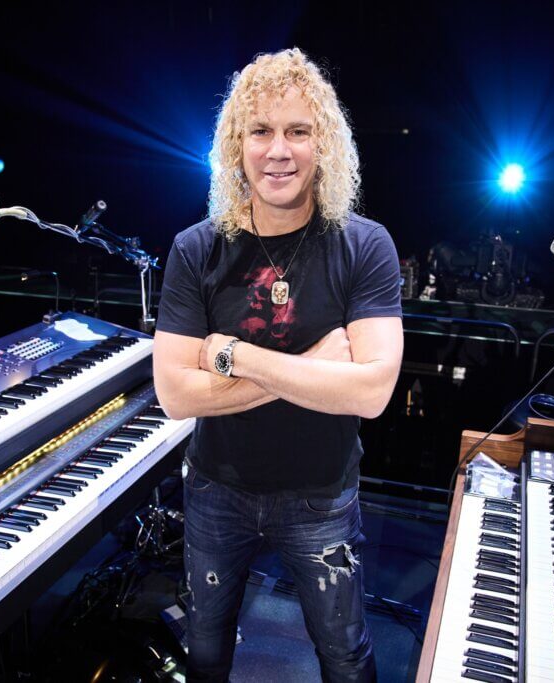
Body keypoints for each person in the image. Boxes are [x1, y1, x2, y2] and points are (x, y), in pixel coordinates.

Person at [153, 47, 403, 682]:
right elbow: (176, 395)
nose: (278, 150)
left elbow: (372, 392)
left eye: (298, 130)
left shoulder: (364, 244)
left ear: (324, 145)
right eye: (261, 131)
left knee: (346, 657)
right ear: (238, 146)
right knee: (205, 651)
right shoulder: (196, 248)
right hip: (216, 489)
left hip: (321, 494)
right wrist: (318, 371)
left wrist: (235, 357)